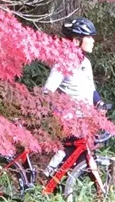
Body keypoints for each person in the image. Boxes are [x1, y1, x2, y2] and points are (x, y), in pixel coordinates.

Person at [42, 17, 102, 176]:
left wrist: (100, 104)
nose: (92, 41)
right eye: (89, 37)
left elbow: (91, 89)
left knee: (81, 154)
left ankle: (55, 184)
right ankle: (46, 178)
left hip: (84, 118)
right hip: (68, 119)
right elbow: (47, 91)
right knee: (69, 151)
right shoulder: (63, 63)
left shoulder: (86, 63)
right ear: (76, 41)